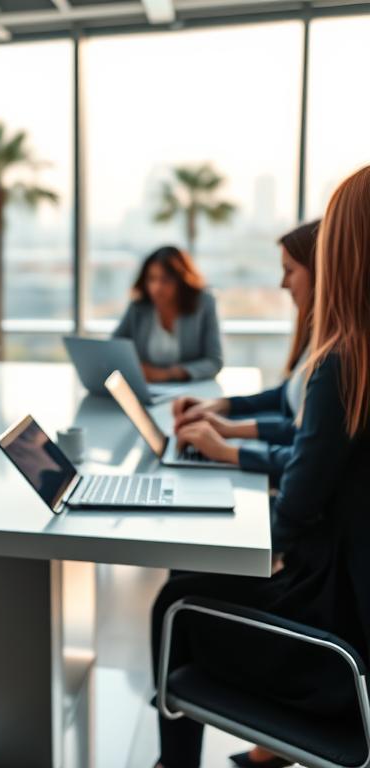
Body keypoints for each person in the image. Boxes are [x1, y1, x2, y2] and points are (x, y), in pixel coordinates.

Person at [151, 166, 370, 768]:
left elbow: (295, 513)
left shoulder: (345, 364)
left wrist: (207, 526)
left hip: (338, 655)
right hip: (354, 621)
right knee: (196, 579)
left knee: (176, 600)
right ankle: (263, 758)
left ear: (340, 254)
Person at [171, 221, 320, 480]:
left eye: (289, 271)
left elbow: (307, 451)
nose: (283, 284)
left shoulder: (335, 354)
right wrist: (222, 408)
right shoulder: (315, 337)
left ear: (319, 272)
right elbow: (286, 398)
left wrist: (227, 449)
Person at [113, 246, 223, 382]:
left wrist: (169, 374)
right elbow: (113, 348)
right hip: (147, 387)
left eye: (166, 280)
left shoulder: (204, 303)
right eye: (152, 279)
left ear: (181, 281)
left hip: (192, 388)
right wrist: (134, 369)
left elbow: (214, 362)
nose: (157, 287)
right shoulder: (139, 306)